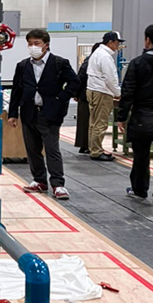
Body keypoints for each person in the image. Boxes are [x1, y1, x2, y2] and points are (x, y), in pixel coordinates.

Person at [7, 29, 79, 201]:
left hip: (50, 113)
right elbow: (16, 90)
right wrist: (12, 113)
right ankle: (39, 180)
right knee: (32, 149)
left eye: (37, 43)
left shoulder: (59, 63)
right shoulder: (23, 65)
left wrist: (61, 98)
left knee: (52, 149)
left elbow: (75, 82)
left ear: (46, 45)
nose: (33, 47)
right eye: (30, 43)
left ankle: (58, 184)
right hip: (28, 112)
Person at [117, 24, 153, 201]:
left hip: (142, 117)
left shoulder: (137, 63)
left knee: (141, 156)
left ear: (147, 40)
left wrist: (122, 117)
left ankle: (139, 189)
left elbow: (128, 92)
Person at [87, 31, 124, 161]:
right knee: (100, 123)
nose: (118, 46)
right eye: (117, 43)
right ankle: (96, 151)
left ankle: (93, 148)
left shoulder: (97, 53)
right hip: (102, 92)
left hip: (92, 90)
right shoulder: (105, 56)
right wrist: (118, 93)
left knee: (93, 122)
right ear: (110, 42)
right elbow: (110, 79)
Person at [74, 43, 100, 154]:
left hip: (85, 94)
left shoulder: (90, 61)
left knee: (86, 121)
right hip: (85, 95)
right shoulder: (90, 62)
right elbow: (80, 79)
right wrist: (76, 94)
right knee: (86, 121)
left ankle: (85, 145)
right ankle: (85, 145)